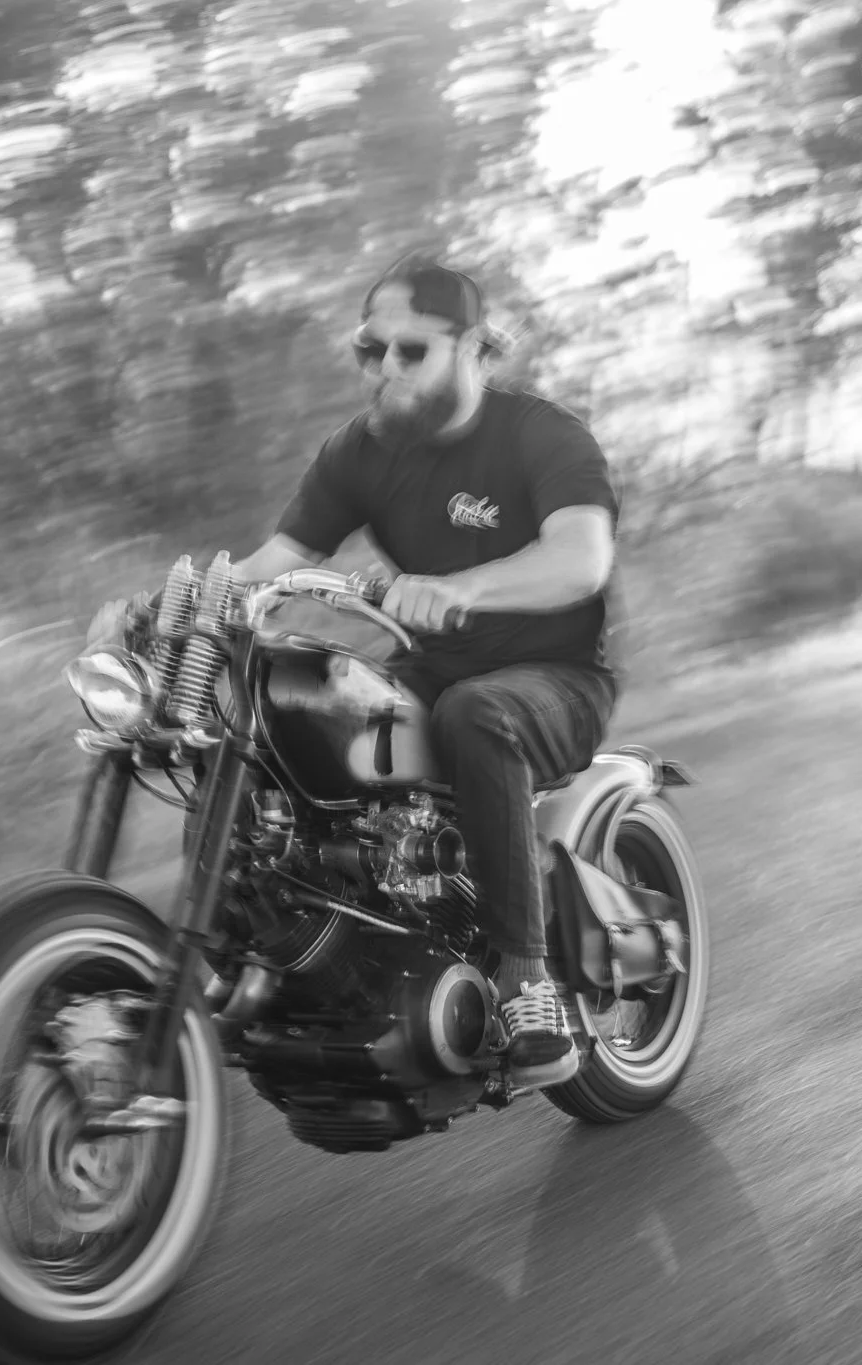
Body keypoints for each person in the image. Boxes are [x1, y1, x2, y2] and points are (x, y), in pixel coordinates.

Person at [234, 256, 621, 1090]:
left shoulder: (541, 434)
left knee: (477, 712)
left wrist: (462, 589)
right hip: (426, 675)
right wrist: (160, 600)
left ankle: (526, 980)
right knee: (286, 702)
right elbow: (275, 560)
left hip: (551, 680)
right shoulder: (363, 450)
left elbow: (581, 560)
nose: (387, 371)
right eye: (372, 352)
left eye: (412, 351)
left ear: (475, 346)